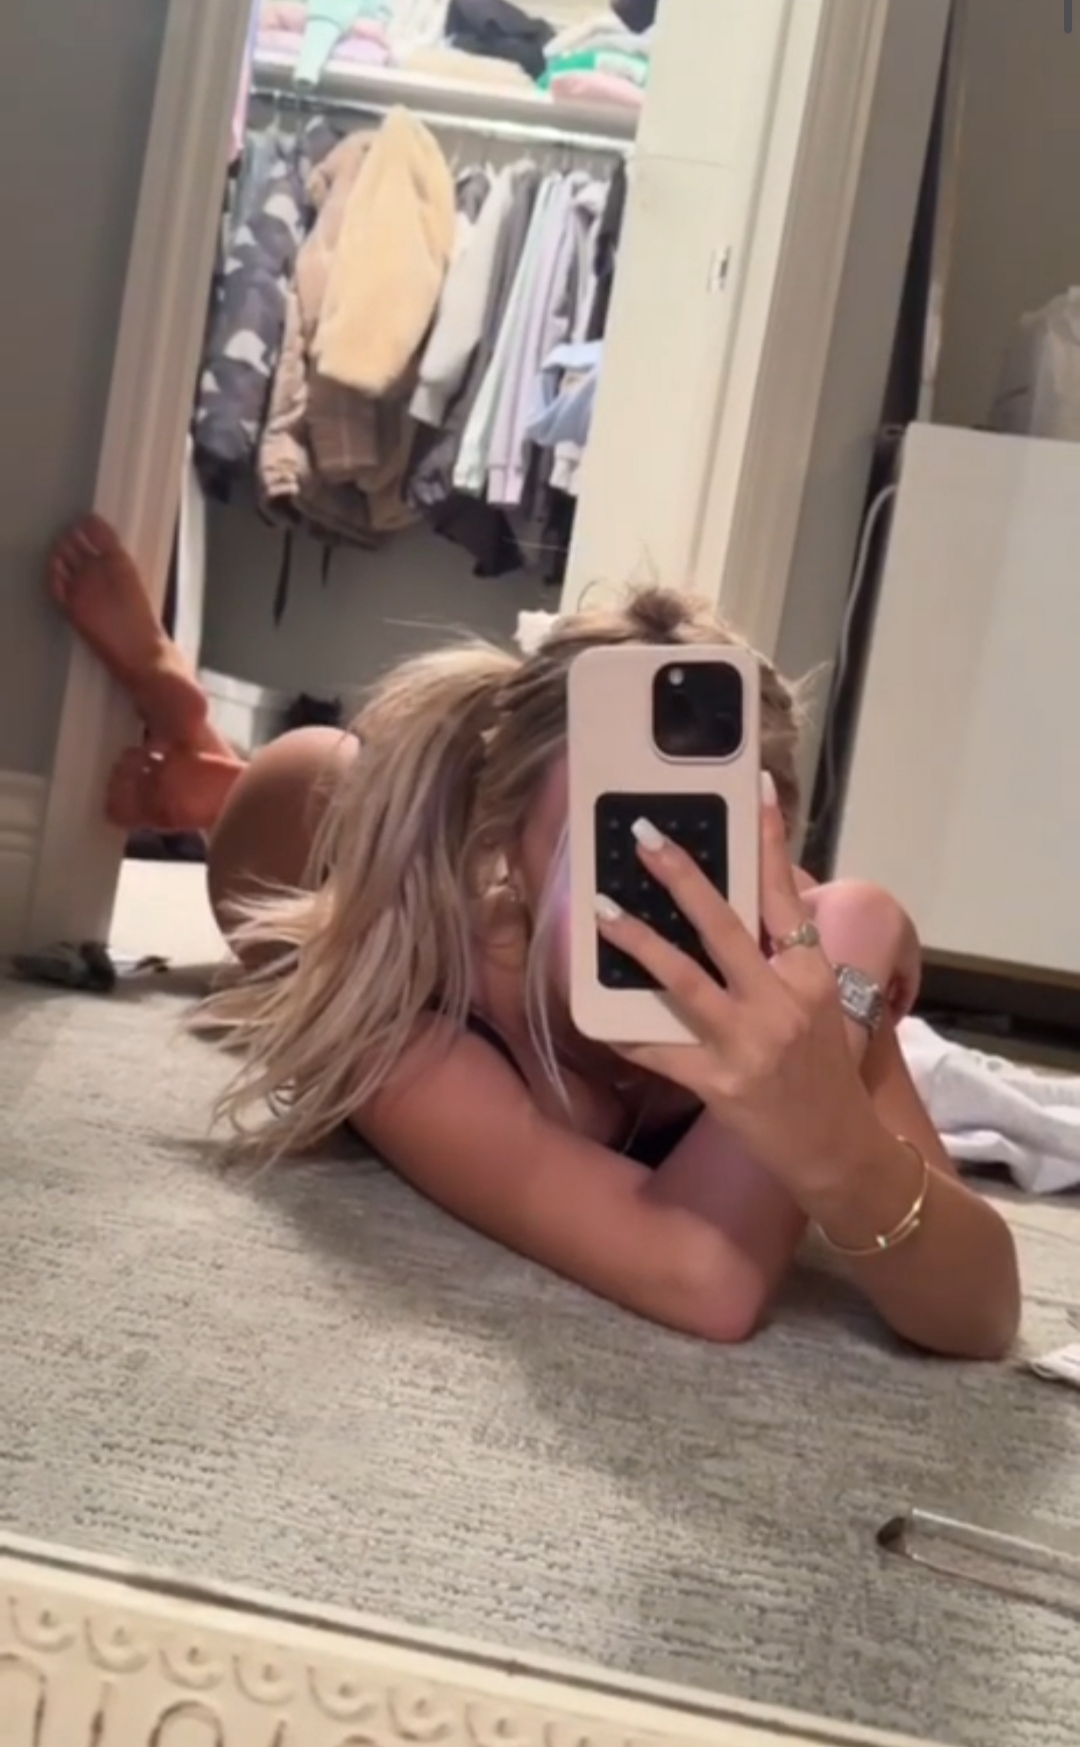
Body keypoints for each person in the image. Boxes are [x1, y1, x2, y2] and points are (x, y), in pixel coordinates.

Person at [48, 515, 1021, 1358]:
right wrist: (856, 944)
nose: (656, 897)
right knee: (311, 794)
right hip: (325, 868)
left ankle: (203, 764)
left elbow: (983, 1312)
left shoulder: (811, 979)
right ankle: (193, 735)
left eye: (700, 850)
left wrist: (838, 1117)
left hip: (476, 859)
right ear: (509, 844)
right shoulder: (405, 1013)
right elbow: (704, 1277)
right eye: (608, 843)